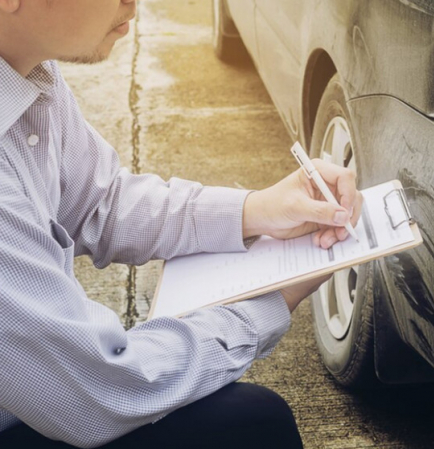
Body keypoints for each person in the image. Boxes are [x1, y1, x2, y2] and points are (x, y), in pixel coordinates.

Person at [0, 0, 362, 448]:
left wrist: (257, 210)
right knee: (253, 426)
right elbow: (100, 389)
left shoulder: (28, 72)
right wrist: (268, 302)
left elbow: (100, 202)